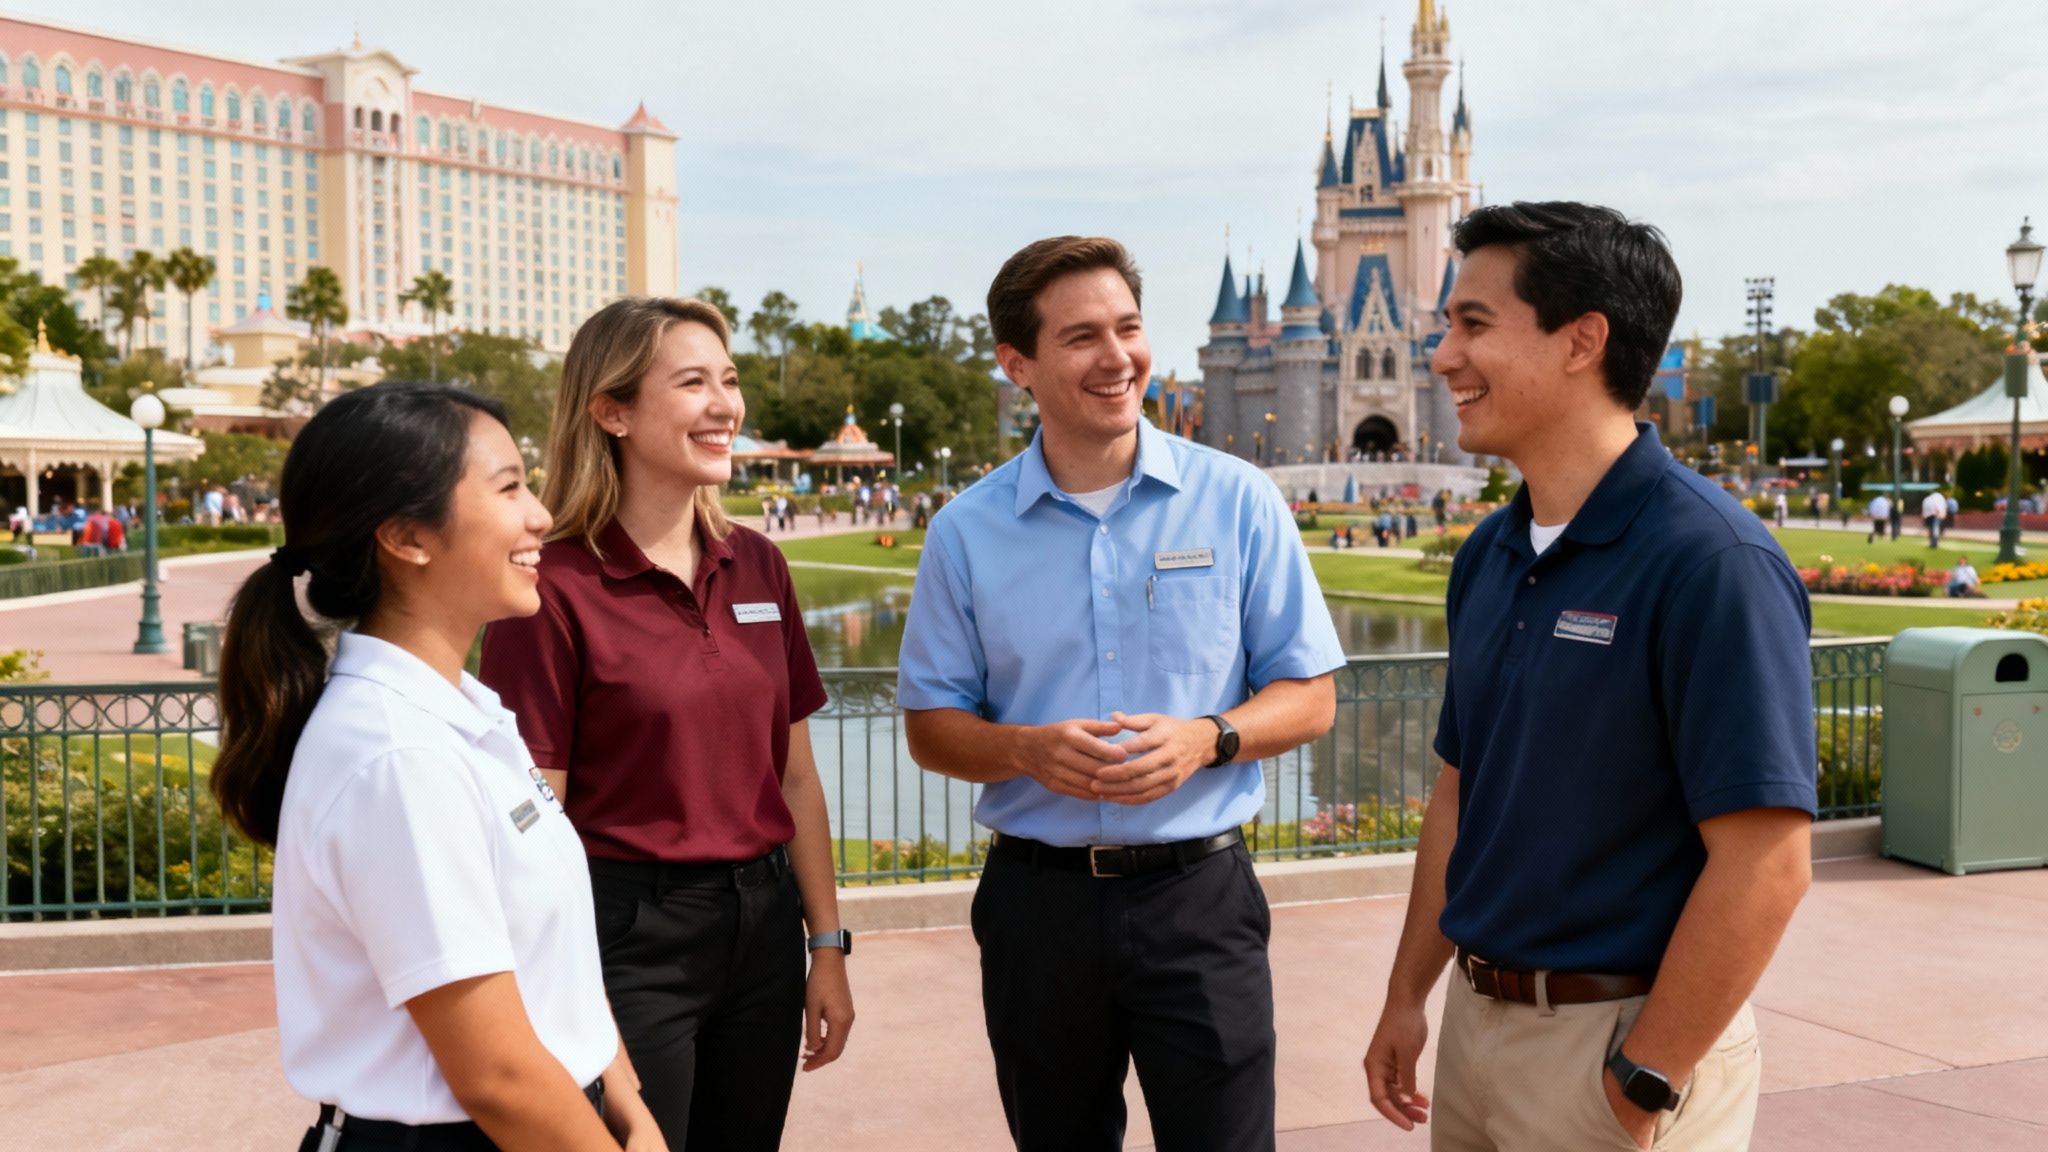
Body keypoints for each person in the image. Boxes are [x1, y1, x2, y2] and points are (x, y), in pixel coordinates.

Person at [1362, 203, 1815, 1152]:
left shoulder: (1711, 561)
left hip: (1616, 1043)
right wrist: (1410, 992)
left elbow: (1766, 862)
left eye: (1473, 324)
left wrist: (1643, 1077)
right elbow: (1461, 790)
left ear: (1583, 342)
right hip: (1478, 1024)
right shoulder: (1490, 552)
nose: (1443, 356)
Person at [899, 236, 1345, 1152]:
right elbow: (932, 730)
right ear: (1016, 363)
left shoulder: (1239, 500)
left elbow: (1310, 697)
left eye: (1129, 327)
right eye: (1081, 337)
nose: (1118, 357)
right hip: (1038, 908)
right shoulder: (965, 532)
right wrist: (1025, 750)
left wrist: (1207, 739)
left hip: (1200, 902)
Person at [208, 381, 665, 1151]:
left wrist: (628, 1109)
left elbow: (553, 978)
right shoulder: (398, 756)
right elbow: (497, 1077)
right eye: (510, 487)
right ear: (407, 538)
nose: (541, 516)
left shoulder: (465, 713)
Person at [480, 297, 854, 1152]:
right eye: (693, 383)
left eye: (729, 379)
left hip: (763, 931)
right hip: (625, 937)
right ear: (611, 410)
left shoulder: (759, 562)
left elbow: (794, 776)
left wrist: (825, 943)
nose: (725, 404)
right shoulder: (552, 589)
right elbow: (539, 822)